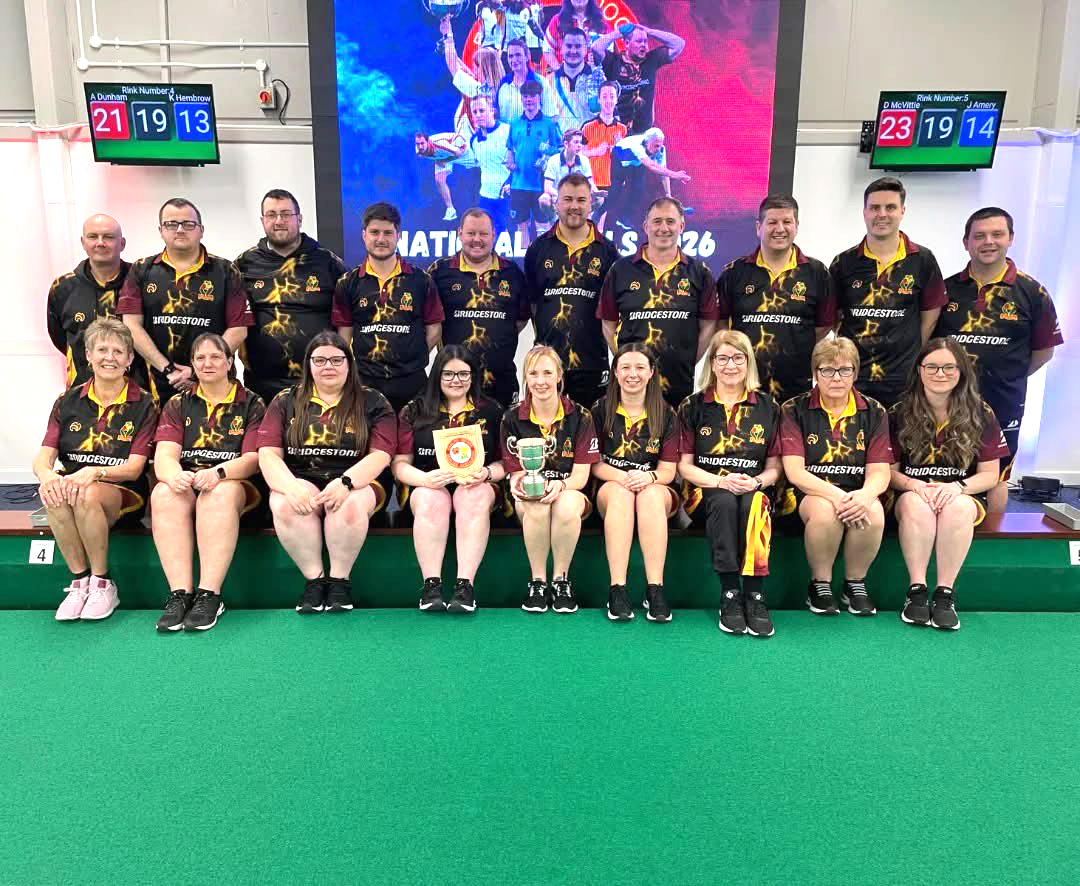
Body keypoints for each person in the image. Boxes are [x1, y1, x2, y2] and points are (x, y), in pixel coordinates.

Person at [257, 332, 397, 614]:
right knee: (285, 505)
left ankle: (339, 581)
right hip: (302, 476)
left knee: (348, 507)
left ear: (349, 363)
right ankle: (315, 580)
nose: (328, 366)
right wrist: (290, 487)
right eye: (320, 360)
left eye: (336, 359)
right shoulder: (285, 400)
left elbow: (381, 454)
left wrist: (346, 482)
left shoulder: (373, 400)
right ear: (308, 364)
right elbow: (267, 454)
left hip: (358, 479)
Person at [935, 207, 1064, 512]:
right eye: (979, 236)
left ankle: (993, 537)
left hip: (1004, 402)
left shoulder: (1033, 292)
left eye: (997, 234)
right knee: (947, 476)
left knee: (998, 477)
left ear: (1010, 238)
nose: (988, 242)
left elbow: (1043, 352)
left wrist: (1008, 376)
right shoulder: (946, 290)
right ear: (966, 242)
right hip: (949, 402)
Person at [32, 318, 158, 621]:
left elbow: (134, 468)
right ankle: (80, 582)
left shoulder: (145, 403)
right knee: (54, 493)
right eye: (102, 350)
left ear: (129, 359)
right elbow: (42, 459)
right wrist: (48, 476)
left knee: (83, 493)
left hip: (122, 490)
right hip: (76, 484)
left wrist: (95, 472)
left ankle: (103, 583)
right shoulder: (67, 401)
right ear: (88, 355)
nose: (109, 358)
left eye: (118, 351)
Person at [889, 337, 1010, 631]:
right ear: (919, 370)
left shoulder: (981, 413)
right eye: (931, 366)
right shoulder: (898, 412)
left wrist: (957, 487)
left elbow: (989, 475)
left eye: (948, 367)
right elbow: (887, 472)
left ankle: (944, 595)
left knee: (957, 508)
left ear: (961, 371)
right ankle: (917, 592)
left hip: (961, 493)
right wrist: (914, 485)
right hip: (913, 491)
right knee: (916, 505)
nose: (940, 374)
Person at [150, 334, 266, 633]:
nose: (207, 363)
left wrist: (219, 473)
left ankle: (209, 595)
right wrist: (174, 475)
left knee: (218, 494)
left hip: (234, 481)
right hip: (190, 479)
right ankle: (180, 595)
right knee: (164, 493)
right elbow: (164, 456)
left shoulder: (252, 403)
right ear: (192, 364)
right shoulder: (178, 403)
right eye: (200, 358)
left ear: (229, 362)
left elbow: (253, 459)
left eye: (215, 357)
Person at [677, 330, 782, 636]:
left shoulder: (769, 406)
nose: (730, 365)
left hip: (753, 489)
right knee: (724, 501)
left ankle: (755, 595)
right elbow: (684, 467)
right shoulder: (692, 405)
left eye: (738, 357)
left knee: (755, 502)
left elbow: (775, 468)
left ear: (748, 362)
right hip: (705, 492)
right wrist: (721, 481)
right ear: (712, 363)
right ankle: (730, 593)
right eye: (722, 358)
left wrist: (757, 482)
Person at [780, 337, 893, 617]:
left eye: (844, 370)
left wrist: (865, 496)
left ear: (855, 372)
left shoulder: (874, 411)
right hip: (808, 492)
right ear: (815, 373)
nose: (836, 378)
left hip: (858, 490)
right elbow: (795, 472)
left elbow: (880, 471)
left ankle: (855, 584)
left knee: (873, 511)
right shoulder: (793, 409)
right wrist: (839, 497)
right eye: (827, 370)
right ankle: (820, 584)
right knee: (825, 511)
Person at [392, 345, 506, 613]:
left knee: (473, 496)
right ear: (437, 375)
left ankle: (465, 587)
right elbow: (399, 465)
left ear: (473, 376)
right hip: (427, 484)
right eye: (448, 374)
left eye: (464, 374)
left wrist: (486, 474)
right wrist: (424, 479)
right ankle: (431, 586)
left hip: (477, 485)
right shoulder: (414, 410)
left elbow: (506, 463)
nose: (456, 380)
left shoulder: (492, 411)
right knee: (431, 498)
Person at [118, 198, 253, 405]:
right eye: (171, 224)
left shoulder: (226, 271)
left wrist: (198, 369)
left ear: (201, 230)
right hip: (154, 386)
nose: (180, 230)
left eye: (188, 224)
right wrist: (167, 369)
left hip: (213, 385)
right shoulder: (142, 270)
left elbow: (238, 329)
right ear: (161, 230)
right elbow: (131, 326)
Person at [829, 177, 947, 407]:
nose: (882, 214)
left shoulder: (922, 260)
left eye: (890, 207)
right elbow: (834, 318)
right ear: (864, 212)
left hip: (903, 381)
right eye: (875, 208)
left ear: (902, 211)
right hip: (852, 378)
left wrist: (906, 353)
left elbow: (930, 318)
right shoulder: (843, 263)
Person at [500, 346, 599, 613]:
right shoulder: (511, 417)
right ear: (525, 377)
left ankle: (561, 581)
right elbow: (516, 471)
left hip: (569, 489)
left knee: (565, 506)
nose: (540, 381)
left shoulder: (581, 415)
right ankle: (538, 582)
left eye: (547, 373)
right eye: (533, 373)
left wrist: (561, 485)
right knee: (536, 503)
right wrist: (518, 483)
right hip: (531, 495)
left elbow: (581, 476)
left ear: (559, 376)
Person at [716, 195, 836, 403]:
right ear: (758, 227)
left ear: (796, 226)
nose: (780, 229)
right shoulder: (734, 272)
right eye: (772, 222)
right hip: (744, 387)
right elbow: (721, 324)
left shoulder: (817, 273)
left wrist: (795, 345)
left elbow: (824, 325)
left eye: (787, 221)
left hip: (796, 389)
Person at [598, 197, 717, 408]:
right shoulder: (620, 270)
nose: (664, 228)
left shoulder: (699, 272)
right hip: (632, 387)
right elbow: (608, 323)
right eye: (657, 221)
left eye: (670, 222)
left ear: (682, 226)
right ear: (646, 226)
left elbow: (708, 325)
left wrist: (687, 360)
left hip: (679, 385)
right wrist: (626, 361)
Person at [592, 344, 680, 622]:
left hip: (654, 487)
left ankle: (655, 589)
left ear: (651, 372)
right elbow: (593, 464)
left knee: (649, 495)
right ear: (615, 372)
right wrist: (623, 477)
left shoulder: (666, 413)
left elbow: (668, 471)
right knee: (621, 494)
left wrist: (648, 477)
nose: (633, 374)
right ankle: (617, 589)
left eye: (640, 367)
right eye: (626, 367)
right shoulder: (599, 410)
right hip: (612, 486)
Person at [234, 189, 346, 404]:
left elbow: (347, 320)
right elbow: (233, 319)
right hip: (261, 384)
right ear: (262, 220)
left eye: (286, 214)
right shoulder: (243, 264)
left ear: (299, 219)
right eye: (271, 215)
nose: (279, 221)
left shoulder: (329, 263)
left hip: (319, 383)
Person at [332, 202, 444, 413]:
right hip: (364, 383)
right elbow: (343, 337)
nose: (381, 239)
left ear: (398, 235)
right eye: (374, 232)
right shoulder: (347, 283)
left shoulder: (421, 280)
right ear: (364, 235)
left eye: (388, 233)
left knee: (413, 435)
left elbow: (435, 330)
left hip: (412, 382)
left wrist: (410, 358)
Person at [524, 172, 619, 408]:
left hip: (592, 365)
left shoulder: (607, 251)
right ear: (556, 203)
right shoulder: (537, 249)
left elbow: (613, 311)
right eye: (567, 199)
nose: (574, 206)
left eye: (581, 200)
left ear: (591, 204)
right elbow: (533, 305)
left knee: (592, 430)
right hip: (546, 367)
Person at [428, 208, 531, 407]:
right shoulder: (439, 272)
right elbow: (429, 323)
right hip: (453, 385)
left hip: (501, 384)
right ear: (460, 234)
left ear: (494, 235)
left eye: (483, 233)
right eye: (471, 233)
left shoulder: (512, 273)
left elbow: (520, 320)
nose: (477, 239)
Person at [47, 214, 131, 388]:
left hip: (136, 394)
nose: (100, 243)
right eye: (93, 237)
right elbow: (60, 338)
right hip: (81, 392)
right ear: (83, 242)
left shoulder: (139, 282)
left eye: (108, 237)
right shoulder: (63, 287)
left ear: (122, 244)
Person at [595, 23, 686, 134]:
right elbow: (596, 48)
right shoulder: (614, 61)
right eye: (639, 41)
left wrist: (650, 31)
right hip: (617, 133)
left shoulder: (651, 60)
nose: (643, 45)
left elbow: (679, 44)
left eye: (645, 41)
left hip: (644, 135)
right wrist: (618, 33)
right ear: (627, 43)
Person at [505, 79, 562, 246]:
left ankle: (542, 256)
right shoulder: (514, 123)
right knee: (521, 226)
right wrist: (510, 162)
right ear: (521, 98)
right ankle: (524, 257)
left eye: (532, 96)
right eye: (525, 96)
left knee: (543, 226)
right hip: (518, 184)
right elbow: (510, 148)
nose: (528, 99)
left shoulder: (549, 124)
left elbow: (557, 151)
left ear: (539, 97)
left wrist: (547, 152)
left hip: (540, 185)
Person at [604, 128, 690, 232]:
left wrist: (668, 194)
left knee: (639, 188)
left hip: (637, 161)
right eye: (656, 146)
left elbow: (663, 171)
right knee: (617, 189)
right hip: (620, 157)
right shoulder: (637, 145)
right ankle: (605, 216)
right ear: (647, 142)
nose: (658, 149)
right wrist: (675, 175)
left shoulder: (661, 149)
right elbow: (651, 165)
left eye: (660, 145)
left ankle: (624, 218)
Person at [581, 80, 627, 231]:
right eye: (604, 96)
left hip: (611, 183)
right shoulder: (587, 127)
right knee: (587, 221)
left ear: (617, 99)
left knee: (599, 225)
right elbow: (578, 155)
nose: (608, 101)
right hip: (591, 182)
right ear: (599, 100)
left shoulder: (623, 129)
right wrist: (595, 152)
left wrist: (619, 148)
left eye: (612, 96)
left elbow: (628, 161)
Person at [463, 95, 511, 237]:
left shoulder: (508, 131)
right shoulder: (474, 140)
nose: (478, 115)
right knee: (488, 239)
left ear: (492, 111)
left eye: (482, 110)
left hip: (508, 197)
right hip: (486, 199)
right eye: (475, 112)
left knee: (512, 240)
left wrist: (511, 182)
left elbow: (521, 162)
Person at [545, 28, 594, 134]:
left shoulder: (596, 80)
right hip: (559, 143)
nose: (573, 51)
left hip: (590, 142)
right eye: (568, 46)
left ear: (586, 49)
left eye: (578, 46)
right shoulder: (548, 82)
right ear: (561, 49)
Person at [416, 130, 469, 222]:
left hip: (459, 146)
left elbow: (459, 153)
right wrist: (439, 159)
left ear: (427, 142)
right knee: (439, 180)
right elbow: (432, 155)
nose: (420, 146)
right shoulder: (419, 150)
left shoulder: (440, 145)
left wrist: (445, 160)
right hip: (441, 154)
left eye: (422, 143)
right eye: (418, 144)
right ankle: (451, 210)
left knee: (475, 163)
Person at [540, 129, 596, 216]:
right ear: (566, 144)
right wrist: (560, 196)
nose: (579, 146)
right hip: (558, 196)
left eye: (580, 142)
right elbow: (547, 187)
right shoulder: (554, 160)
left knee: (599, 198)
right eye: (576, 142)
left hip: (577, 197)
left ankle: (582, 217)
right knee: (544, 199)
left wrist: (596, 192)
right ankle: (553, 218)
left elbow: (590, 183)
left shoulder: (584, 160)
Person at [543, 0, 608, 69]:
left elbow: (609, 53)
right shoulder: (557, 21)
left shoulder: (600, 22)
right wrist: (559, 71)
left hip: (594, 73)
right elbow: (548, 50)